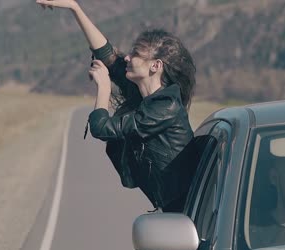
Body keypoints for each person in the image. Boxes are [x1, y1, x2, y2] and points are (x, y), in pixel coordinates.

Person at [36, 0, 196, 212]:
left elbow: (103, 128)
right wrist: (75, 8)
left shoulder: (166, 107)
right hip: (171, 211)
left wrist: (103, 88)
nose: (128, 57)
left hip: (186, 213)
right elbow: (109, 56)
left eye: (136, 54)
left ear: (156, 66)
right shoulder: (144, 96)